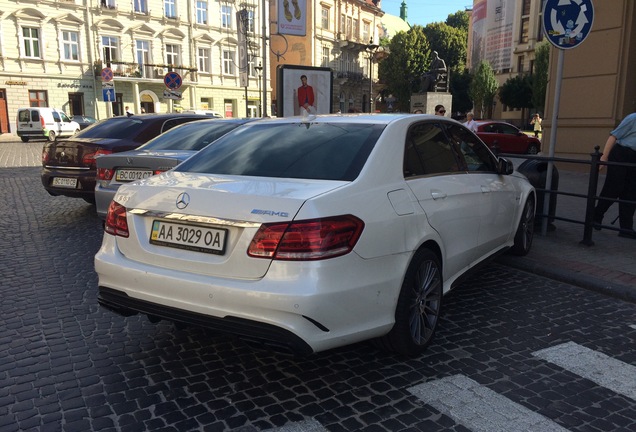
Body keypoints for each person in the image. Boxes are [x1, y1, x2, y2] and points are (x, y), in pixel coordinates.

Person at [593, 112, 636, 239]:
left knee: (631, 192)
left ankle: (626, 228)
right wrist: (604, 158)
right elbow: (613, 136)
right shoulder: (633, 119)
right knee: (614, 187)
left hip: (634, 158)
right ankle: (596, 216)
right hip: (621, 154)